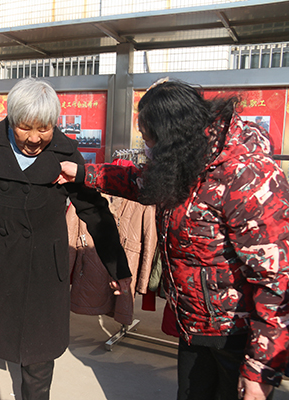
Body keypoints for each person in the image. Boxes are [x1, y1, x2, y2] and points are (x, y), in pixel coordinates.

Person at [56, 79, 289, 400]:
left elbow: (275, 280)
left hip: (236, 335)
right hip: (193, 324)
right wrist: (83, 173)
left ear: (172, 135)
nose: (146, 146)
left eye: (149, 138)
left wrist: (260, 369)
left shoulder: (248, 177)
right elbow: (142, 182)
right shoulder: (189, 158)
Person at [0, 78, 131, 400]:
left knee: (37, 369)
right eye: (25, 128)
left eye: (44, 129)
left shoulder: (65, 151)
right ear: (11, 120)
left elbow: (94, 211)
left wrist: (117, 267)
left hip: (43, 276)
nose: (34, 139)